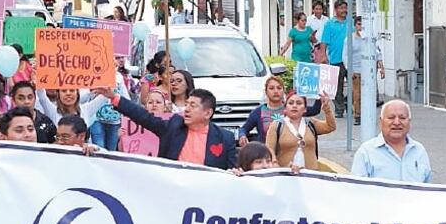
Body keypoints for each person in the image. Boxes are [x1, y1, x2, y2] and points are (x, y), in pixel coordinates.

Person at [98, 87, 238, 168]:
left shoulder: (225, 138)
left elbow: (232, 173)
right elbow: (144, 116)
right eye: (187, 104)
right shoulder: (173, 125)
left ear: (208, 113)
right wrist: (114, 97)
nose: (186, 109)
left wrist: (236, 173)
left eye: (193, 105)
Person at [351, 100, 432, 183]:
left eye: (402, 118)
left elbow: (427, 189)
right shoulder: (366, 152)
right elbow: (356, 190)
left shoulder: (419, 151)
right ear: (381, 122)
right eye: (391, 117)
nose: (397, 122)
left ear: (409, 122)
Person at [238, 76, 323, 145]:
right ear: (266, 92)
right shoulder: (258, 112)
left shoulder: (293, 108)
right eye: (271, 88)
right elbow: (244, 128)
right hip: (267, 156)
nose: (276, 91)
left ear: (283, 91)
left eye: (279, 88)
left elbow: (315, 110)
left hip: (289, 155)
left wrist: (320, 96)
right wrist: (242, 135)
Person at [265, 91, 336, 171]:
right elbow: (269, 149)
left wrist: (327, 108)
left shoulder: (311, 123)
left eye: (299, 103)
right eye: (291, 103)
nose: (294, 106)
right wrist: (274, 163)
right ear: (285, 108)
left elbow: (331, 126)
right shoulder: (277, 126)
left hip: (310, 175)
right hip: (286, 174)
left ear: (305, 109)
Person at [319, 0, 351, 118]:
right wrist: (323, 55)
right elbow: (324, 41)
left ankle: (349, 103)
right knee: (338, 87)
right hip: (336, 58)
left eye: (345, 8)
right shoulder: (329, 24)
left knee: (354, 85)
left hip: (351, 59)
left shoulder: (350, 22)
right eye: (341, 8)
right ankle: (339, 108)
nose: (344, 10)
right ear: (336, 9)